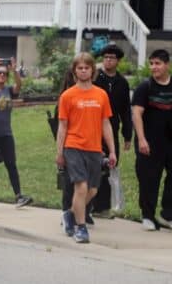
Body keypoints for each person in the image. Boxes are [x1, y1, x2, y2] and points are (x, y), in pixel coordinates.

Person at [56, 52, 116, 243]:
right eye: (79, 68)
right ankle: (80, 228)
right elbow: (62, 126)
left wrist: (112, 150)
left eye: (86, 68)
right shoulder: (67, 96)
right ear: (75, 71)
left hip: (94, 148)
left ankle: (70, 215)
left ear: (92, 70)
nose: (83, 71)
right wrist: (59, 152)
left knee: (92, 191)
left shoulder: (101, 95)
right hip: (73, 146)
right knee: (81, 187)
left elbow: (106, 123)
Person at [132, 49, 172, 232]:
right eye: (151, 64)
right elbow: (136, 113)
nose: (154, 67)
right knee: (149, 179)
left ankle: (169, 216)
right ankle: (148, 216)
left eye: (158, 63)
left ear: (167, 65)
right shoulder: (145, 87)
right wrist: (141, 139)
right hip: (150, 142)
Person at [91, 45, 132, 218]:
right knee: (92, 167)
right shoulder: (94, 79)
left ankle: (102, 208)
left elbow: (125, 111)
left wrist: (127, 135)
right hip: (92, 129)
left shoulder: (122, 83)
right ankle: (88, 204)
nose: (108, 60)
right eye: (105, 57)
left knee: (109, 167)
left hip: (111, 130)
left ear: (118, 61)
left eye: (112, 57)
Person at [0, 57, 33, 208]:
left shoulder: (8, 90)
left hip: (6, 134)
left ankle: (18, 196)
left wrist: (14, 70)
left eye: (4, 74)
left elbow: (19, 85)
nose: (1, 76)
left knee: (11, 165)